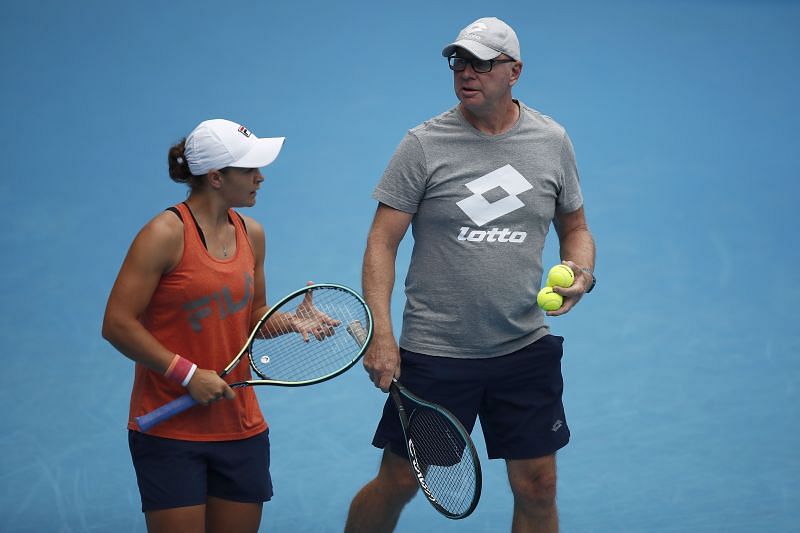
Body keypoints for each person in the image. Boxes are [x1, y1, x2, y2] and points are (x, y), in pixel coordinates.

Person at [344, 17, 596, 533]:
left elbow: (576, 228)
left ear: (514, 71)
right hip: (437, 357)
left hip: (523, 350)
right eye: (459, 61)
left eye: (482, 62)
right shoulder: (423, 145)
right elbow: (381, 241)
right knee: (401, 481)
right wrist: (383, 335)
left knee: (538, 487)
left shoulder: (551, 141)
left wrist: (581, 272)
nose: (466, 72)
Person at [102, 119, 334, 533]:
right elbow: (117, 323)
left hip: (240, 427)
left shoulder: (252, 234)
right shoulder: (163, 234)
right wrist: (187, 374)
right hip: (170, 430)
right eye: (250, 170)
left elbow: (253, 317)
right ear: (215, 177)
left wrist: (291, 321)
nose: (260, 178)